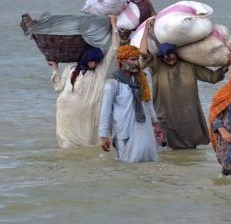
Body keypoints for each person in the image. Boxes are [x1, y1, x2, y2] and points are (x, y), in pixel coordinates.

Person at [139, 18, 231, 149]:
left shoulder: (189, 65)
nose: (170, 59)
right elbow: (143, 52)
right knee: (166, 149)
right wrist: (146, 30)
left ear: (176, 54)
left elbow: (213, 77)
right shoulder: (156, 66)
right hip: (165, 116)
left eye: (172, 55)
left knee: (190, 149)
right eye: (166, 57)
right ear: (161, 57)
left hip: (188, 116)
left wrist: (226, 64)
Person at [41, 16, 119, 148]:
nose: (94, 64)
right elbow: (59, 87)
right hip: (66, 111)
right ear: (85, 59)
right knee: (66, 144)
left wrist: (114, 26)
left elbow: (114, 49)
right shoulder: (71, 67)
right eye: (91, 61)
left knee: (88, 142)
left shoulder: (100, 71)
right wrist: (55, 68)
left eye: (96, 61)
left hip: (87, 113)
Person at [98, 45, 164, 163]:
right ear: (122, 61)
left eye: (137, 59)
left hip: (144, 126)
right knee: (126, 162)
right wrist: (103, 136)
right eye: (132, 59)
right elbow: (105, 110)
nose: (136, 63)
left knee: (147, 159)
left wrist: (156, 123)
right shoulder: (112, 83)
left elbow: (148, 102)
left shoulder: (140, 79)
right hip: (124, 128)